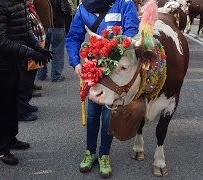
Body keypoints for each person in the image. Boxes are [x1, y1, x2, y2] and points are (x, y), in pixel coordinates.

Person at [65, 0, 139, 178]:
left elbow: (131, 31)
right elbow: (73, 37)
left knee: (108, 116)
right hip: (93, 69)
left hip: (115, 70)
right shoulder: (83, 8)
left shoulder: (124, 3)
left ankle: (104, 155)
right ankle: (90, 152)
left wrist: (113, 46)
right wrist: (76, 62)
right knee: (92, 114)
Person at [0, 0, 52, 165]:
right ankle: (1, 148)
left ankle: (11, 139)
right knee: (1, 108)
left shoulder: (20, 2)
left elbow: (26, 30)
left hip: (15, 62)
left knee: (13, 104)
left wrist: (38, 48)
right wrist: (30, 53)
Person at [17, 0, 47, 122]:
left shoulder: (29, 7)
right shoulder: (22, 10)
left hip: (35, 47)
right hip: (28, 50)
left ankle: (26, 104)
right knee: (24, 81)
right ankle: (21, 110)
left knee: (29, 79)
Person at [36, 0, 71, 82]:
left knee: (42, 50)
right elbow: (67, 9)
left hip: (43, 26)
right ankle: (56, 75)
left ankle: (41, 74)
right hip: (58, 25)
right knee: (58, 52)